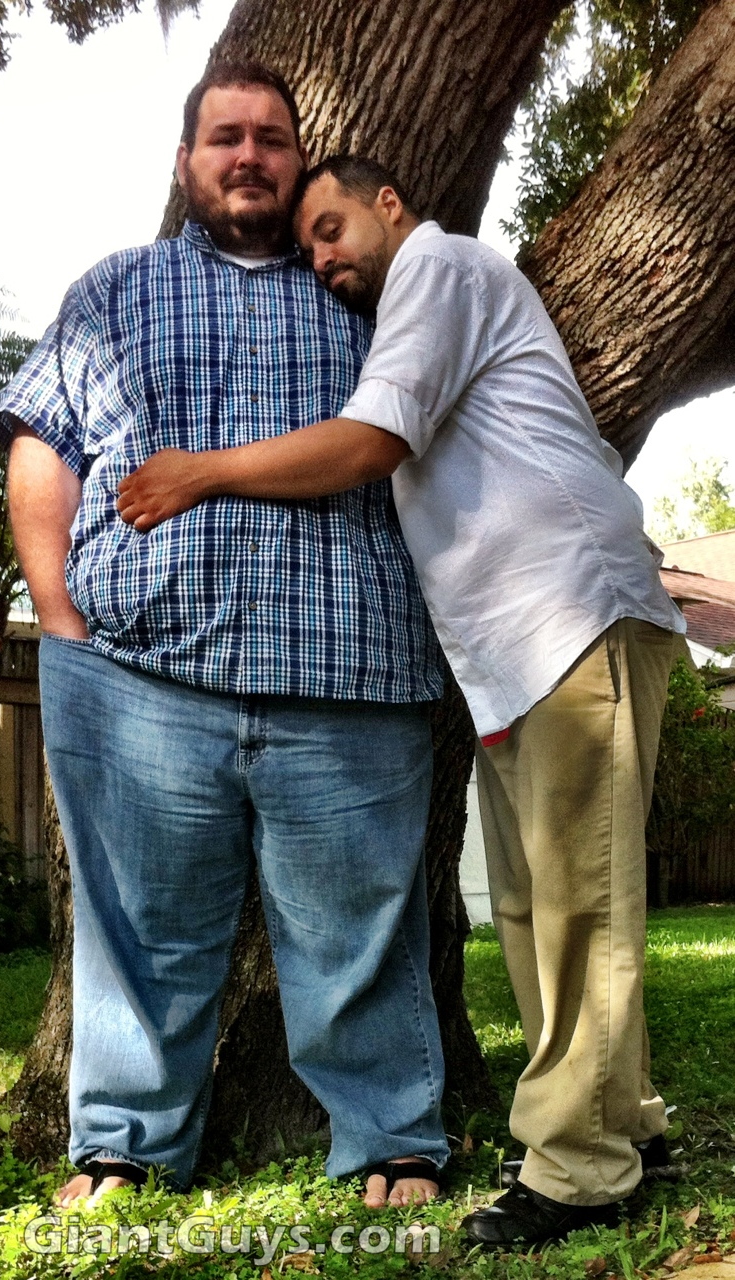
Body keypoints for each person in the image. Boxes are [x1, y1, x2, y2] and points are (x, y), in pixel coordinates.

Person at [118, 155, 687, 1248]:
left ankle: (578, 1166)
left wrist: (200, 471)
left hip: (569, 609)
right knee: (536, 907)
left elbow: (373, 441)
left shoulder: (441, 267)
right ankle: (622, 1123)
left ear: (388, 205)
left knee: (577, 905)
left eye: (331, 227)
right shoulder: (420, 304)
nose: (323, 257)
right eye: (308, 249)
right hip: (515, 648)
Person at [0, 88, 450, 1210]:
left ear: (298, 162)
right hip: (138, 679)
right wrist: (59, 619)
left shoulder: (366, 292)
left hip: (347, 670)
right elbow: (44, 445)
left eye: (271, 140)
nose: (249, 156)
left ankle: (392, 1140)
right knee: (140, 936)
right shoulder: (115, 288)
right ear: (186, 159)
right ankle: (123, 1144)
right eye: (225, 138)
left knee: (357, 938)